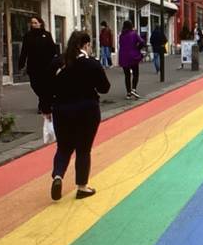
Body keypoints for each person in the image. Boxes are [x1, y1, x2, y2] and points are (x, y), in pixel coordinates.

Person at [41, 30, 110, 201]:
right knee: (83, 149)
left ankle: (58, 176)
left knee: (63, 147)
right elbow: (104, 88)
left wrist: (45, 108)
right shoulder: (91, 64)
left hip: (61, 110)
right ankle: (82, 187)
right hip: (87, 110)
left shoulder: (57, 62)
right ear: (86, 45)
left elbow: (46, 88)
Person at [19, 16, 57, 113]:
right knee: (35, 85)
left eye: (35, 23)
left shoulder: (46, 35)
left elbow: (53, 49)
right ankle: (46, 101)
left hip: (46, 65)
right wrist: (21, 64)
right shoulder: (28, 36)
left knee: (45, 85)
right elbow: (24, 51)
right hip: (33, 66)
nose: (33, 25)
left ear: (40, 23)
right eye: (32, 23)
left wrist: (56, 62)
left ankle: (43, 105)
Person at [118, 20, 144, 100]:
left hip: (123, 57)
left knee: (127, 75)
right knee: (135, 73)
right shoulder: (134, 34)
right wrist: (137, 48)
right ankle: (134, 89)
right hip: (133, 56)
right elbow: (142, 42)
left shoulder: (121, 35)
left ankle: (128, 93)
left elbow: (120, 44)